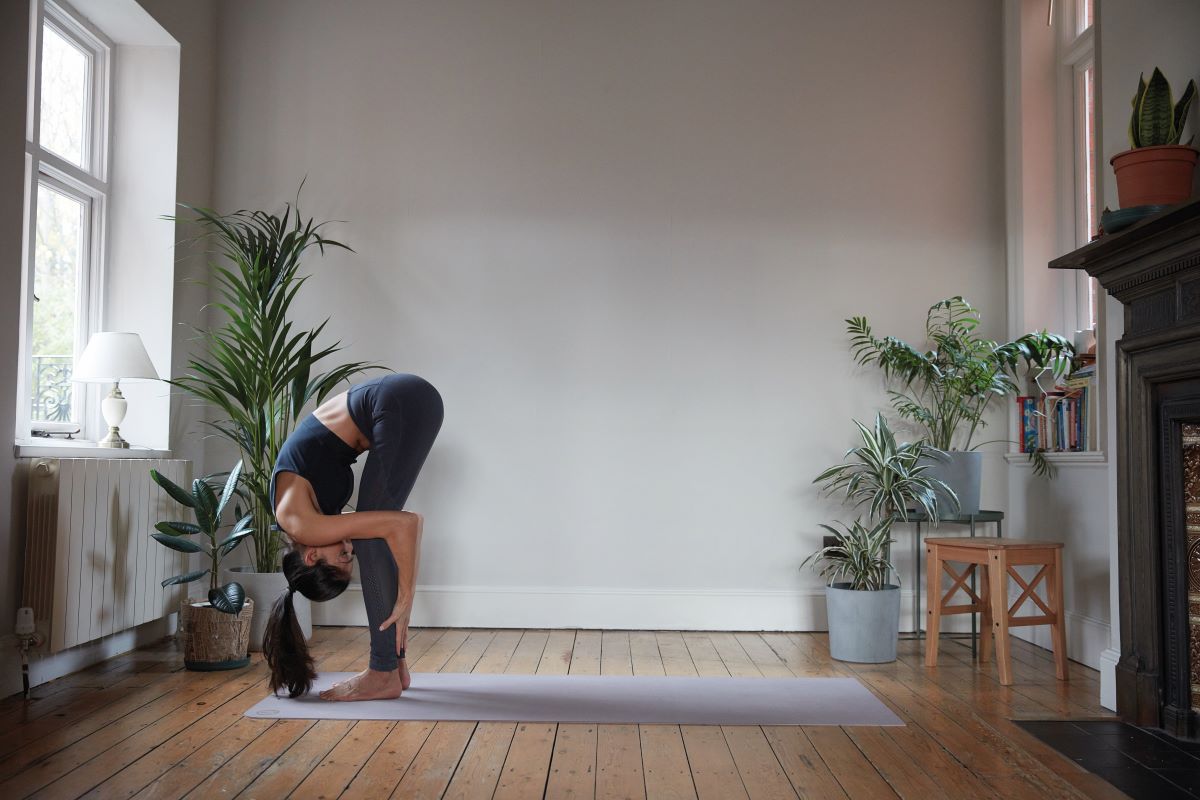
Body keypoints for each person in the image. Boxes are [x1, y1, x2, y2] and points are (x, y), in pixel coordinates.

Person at [262, 373, 444, 701]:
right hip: (405, 400)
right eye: (350, 555)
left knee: (370, 539)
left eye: (342, 557)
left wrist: (405, 598)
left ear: (312, 555)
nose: (348, 548)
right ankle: (395, 667)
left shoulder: (303, 525)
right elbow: (408, 524)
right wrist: (403, 598)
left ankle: (382, 671)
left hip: (397, 403)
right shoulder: (308, 520)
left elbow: (404, 525)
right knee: (372, 534)